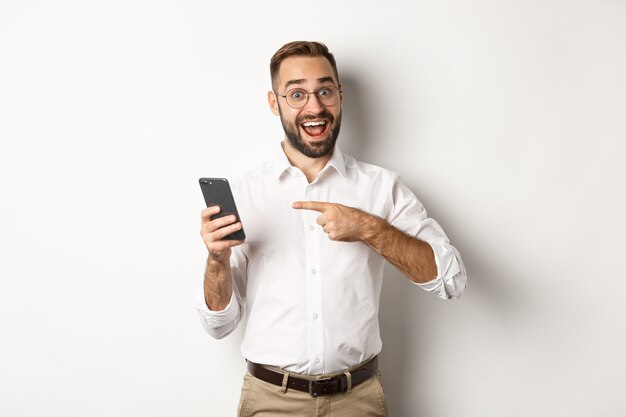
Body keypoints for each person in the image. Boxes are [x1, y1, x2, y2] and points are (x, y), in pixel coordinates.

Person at [195, 41, 467, 417]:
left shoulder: (381, 188)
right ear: (274, 103)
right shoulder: (244, 195)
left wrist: (370, 229)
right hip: (271, 401)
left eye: (325, 90)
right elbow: (218, 325)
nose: (315, 106)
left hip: (358, 400)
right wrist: (215, 260)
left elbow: (450, 280)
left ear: (340, 96)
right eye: (297, 94)